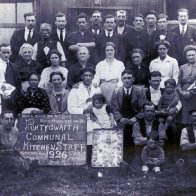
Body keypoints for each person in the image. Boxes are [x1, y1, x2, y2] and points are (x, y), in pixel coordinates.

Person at [111, 70, 147, 146]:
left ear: (133, 79)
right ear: (121, 79)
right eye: (125, 78)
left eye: (129, 78)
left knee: (137, 139)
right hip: (122, 120)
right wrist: (120, 118)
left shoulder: (139, 91)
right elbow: (114, 108)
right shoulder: (116, 92)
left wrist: (136, 118)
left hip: (135, 120)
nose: (127, 80)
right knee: (119, 140)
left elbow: (143, 108)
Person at [67, 67, 101, 145]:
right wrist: (85, 111)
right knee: (83, 145)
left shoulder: (97, 89)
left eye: (90, 75)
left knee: (95, 144)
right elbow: (71, 109)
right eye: (86, 75)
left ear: (93, 77)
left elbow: (101, 105)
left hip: (95, 120)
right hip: (80, 121)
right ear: (82, 77)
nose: (88, 78)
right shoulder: (75, 89)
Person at [0, 111, 38, 176]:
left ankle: (25, 168)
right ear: (1, 120)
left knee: (17, 159)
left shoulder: (15, 131)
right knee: (11, 161)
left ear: (13, 120)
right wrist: (5, 151)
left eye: (11, 119)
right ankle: (25, 170)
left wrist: (18, 152)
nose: (9, 121)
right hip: (2, 155)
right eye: (6, 119)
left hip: (10, 155)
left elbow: (16, 146)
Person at [177, 45, 196, 126]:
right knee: (185, 117)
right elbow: (178, 82)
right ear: (186, 56)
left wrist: (191, 93)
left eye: (193, 55)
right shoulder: (182, 67)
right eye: (189, 55)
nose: (191, 57)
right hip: (184, 96)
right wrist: (181, 92)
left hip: (194, 95)